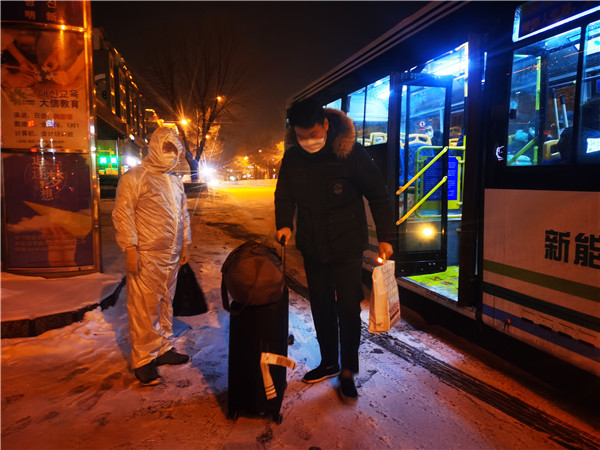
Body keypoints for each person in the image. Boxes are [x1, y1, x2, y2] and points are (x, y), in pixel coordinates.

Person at [275, 99, 395, 402]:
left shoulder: (350, 154)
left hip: (346, 246)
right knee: (322, 306)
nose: (308, 141)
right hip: (313, 247)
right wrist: (284, 224)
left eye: (312, 133)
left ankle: (348, 372)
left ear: (325, 124)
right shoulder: (293, 158)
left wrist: (386, 236)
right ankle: (329, 362)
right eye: (301, 136)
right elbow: (284, 195)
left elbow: (379, 196)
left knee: (348, 309)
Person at [112, 127, 192, 386]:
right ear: (155, 147)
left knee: (166, 303)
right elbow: (123, 213)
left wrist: (185, 245)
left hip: (170, 255)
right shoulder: (135, 177)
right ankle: (144, 359)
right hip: (146, 254)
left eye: (174, 150)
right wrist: (130, 248)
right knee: (144, 308)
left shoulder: (175, 181)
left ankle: (163, 348)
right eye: (166, 148)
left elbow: (183, 215)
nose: (170, 154)